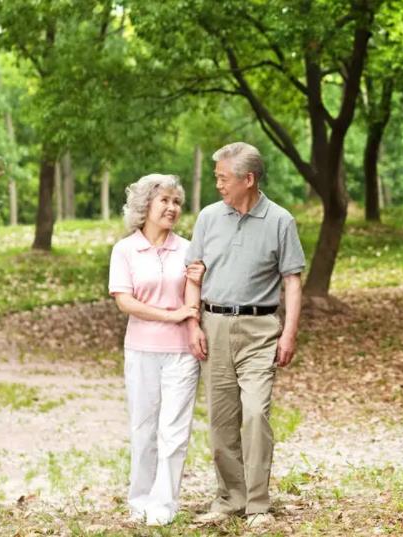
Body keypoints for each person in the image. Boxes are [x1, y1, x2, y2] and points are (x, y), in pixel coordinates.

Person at [184, 142, 305, 529]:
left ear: (247, 179)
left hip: (260, 329)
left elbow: (292, 280)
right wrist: (192, 322)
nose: (217, 184)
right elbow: (194, 272)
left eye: (223, 177)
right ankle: (229, 497)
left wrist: (289, 333)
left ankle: (257, 504)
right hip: (214, 325)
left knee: (255, 413)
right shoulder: (207, 218)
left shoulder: (280, 220)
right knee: (222, 419)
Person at [108, 174, 202, 526]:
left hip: (181, 353)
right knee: (143, 429)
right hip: (141, 350)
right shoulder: (125, 250)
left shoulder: (189, 248)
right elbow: (125, 302)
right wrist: (171, 314)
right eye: (165, 200)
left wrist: (189, 319)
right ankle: (139, 501)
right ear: (145, 205)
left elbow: (194, 294)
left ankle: (164, 505)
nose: (172, 207)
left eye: (177, 202)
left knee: (174, 432)